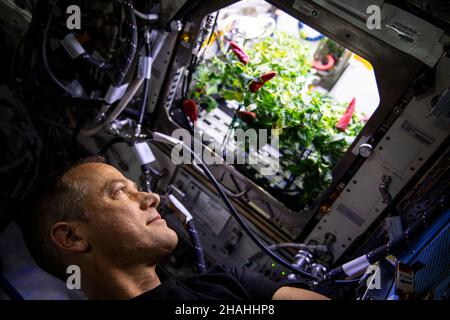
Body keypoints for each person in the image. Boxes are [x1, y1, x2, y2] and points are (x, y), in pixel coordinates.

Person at [20, 156, 329, 300]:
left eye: (136, 187)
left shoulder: (228, 283)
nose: (150, 196)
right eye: (118, 191)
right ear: (73, 237)